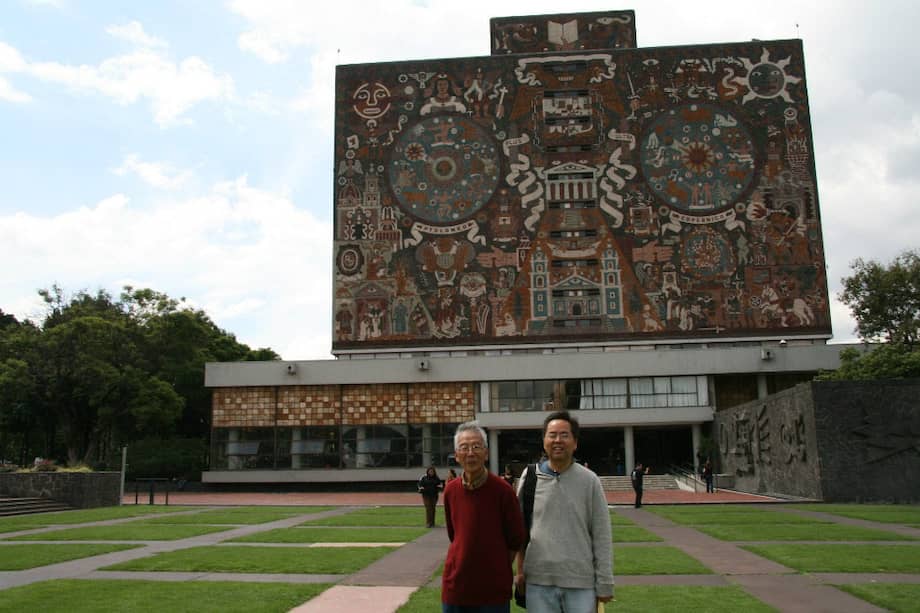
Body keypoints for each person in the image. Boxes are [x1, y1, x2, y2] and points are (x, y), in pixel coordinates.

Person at [515, 411, 614, 612]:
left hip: (580, 583)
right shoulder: (530, 477)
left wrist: (605, 583)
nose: (557, 440)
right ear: (544, 441)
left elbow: (602, 535)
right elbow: (520, 530)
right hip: (538, 581)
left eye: (564, 435)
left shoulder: (590, 480)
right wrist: (520, 572)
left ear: (575, 442)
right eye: (552, 435)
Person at [442, 421, 525, 612]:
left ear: (486, 453)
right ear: (456, 455)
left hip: (493, 590)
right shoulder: (450, 490)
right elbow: (454, 535)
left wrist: (493, 564)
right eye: (464, 448)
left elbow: (515, 539)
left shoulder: (503, 491)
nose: (470, 453)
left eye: (476, 447)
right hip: (456, 587)